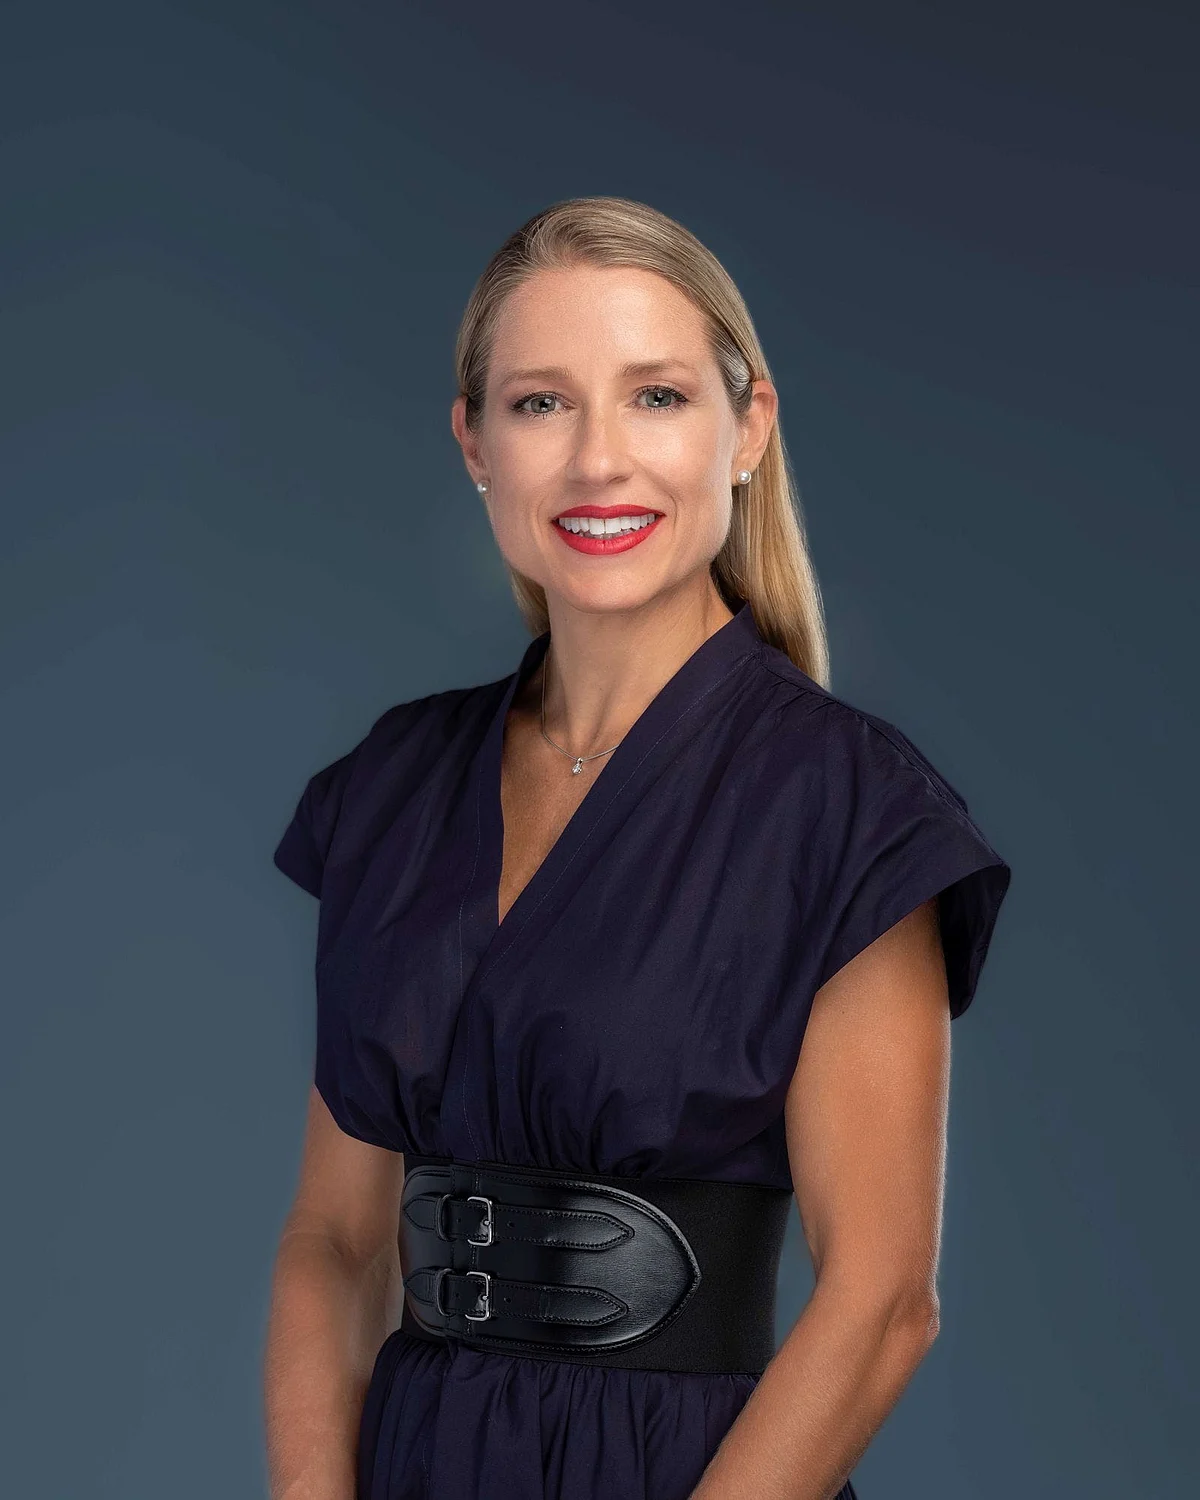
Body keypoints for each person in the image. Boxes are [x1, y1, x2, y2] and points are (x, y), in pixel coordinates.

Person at [263, 196, 1012, 1500]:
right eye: (541, 404)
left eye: (655, 396)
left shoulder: (847, 808)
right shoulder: (389, 786)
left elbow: (884, 1301)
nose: (598, 460)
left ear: (748, 429)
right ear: (475, 443)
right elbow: (335, 1241)